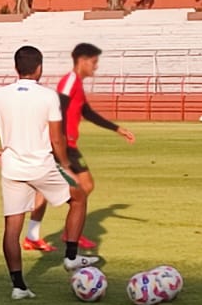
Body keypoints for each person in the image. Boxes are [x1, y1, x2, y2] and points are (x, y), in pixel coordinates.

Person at [0, 46, 99, 301]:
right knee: (79, 195)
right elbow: (56, 139)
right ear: (39, 68)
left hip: (12, 168)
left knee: (12, 228)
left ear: (17, 68)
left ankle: (18, 286)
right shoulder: (49, 97)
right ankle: (71, 257)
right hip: (42, 166)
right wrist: (66, 165)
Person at [24, 43, 135, 252]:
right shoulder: (69, 82)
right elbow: (58, 108)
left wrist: (117, 128)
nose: (96, 67)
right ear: (82, 61)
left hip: (70, 145)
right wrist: (58, 140)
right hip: (63, 145)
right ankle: (49, 235)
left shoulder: (77, 84)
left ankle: (53, 234)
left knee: (80, 186)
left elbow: (88, 112)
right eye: (94, 62)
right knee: (60, 190)